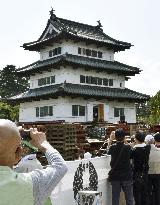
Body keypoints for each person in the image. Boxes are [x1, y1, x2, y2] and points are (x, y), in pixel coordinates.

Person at [0, 119, 68, 205]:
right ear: (18, 154)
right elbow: (60, 166)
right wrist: (43, 143)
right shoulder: (30, 184)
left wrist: (8, 132)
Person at [107, 129, 134, 205]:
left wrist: (110, 140)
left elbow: (107, 152)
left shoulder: (112, 148)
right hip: (127, 176)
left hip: (115, 176)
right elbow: (131, 155)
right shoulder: (128, 148)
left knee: (115, 198)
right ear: (124, 137)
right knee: (129, 198)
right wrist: (125, 141)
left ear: (115, 137)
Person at [131, 131, 151, 205]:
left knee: (136, 193)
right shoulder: (148, 147)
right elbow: (146, 143)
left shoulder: (134, 150)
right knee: (144, 192)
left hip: (137, 173)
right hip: (145, 172)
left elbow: (130, 156)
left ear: (136, 139)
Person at [148, 132, 160, 205]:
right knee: (158, 190)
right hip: (158, 173)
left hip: (149, 172)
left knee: (149, 190)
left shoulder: (150, 148)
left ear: (154, 140)